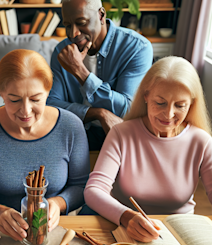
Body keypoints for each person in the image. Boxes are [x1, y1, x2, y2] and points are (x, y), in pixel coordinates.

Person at [0, 49, 90, 241]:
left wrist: (58, 203)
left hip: (53, 232)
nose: (25, 111)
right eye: (14, 100)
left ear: (48, 92)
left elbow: (82, 186)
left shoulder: (71, 126)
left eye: (35, 99)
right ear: (1, 93)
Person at [84, 56, 212, 242]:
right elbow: (94, 190)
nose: (168, 114)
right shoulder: (121, 134)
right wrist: (127, 217)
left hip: (180, 237)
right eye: (160, 102)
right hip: (123, 229)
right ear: (146, 96)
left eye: (180, 105)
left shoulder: (202, 141)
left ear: (191, 104)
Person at [47, 0, 153, 150]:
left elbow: (128, 110)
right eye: (68, 25)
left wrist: (80, 72)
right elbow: (51, 105)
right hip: (75, 133)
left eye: (81, 22)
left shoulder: (136, 47)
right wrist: (98, 113)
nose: (73, 33)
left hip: (122, 136)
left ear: (101, 15)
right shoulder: (62, 51)